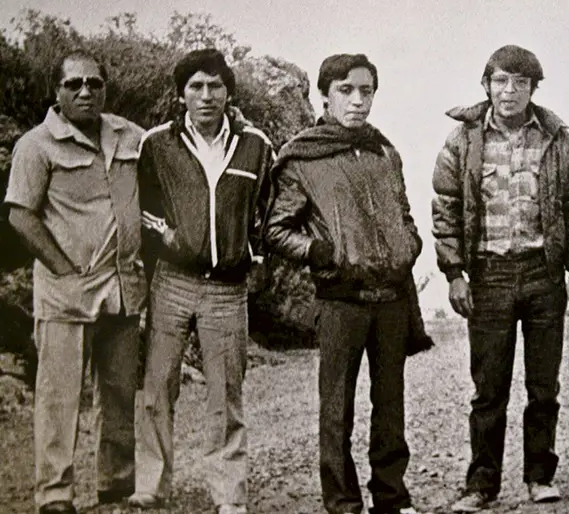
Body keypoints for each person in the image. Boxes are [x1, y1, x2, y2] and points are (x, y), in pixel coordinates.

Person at [265, 53, 426, 514]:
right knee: (336, 410)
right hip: (341, 302)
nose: (357, 101)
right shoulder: (303, 156)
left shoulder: (384, 151)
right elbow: (275, 229)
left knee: (391, 406)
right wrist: (319, 253)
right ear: (324, 96)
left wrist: (408, 245)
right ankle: (342, 503)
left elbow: (405, 214)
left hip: (392, 298)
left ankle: (392, 498)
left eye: (366, 91)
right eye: (346, 91)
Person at [431, 45, 569, 511]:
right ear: (487, 85)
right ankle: (482, 485)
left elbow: (568, 209)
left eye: (520, 82)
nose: (510, 91)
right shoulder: (463, 140)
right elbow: (445, 208)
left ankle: (540, 477)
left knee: (544, 386)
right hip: (489, 276)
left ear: (533, 88)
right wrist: (454, 272)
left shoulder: (556, 138)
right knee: (489, 389)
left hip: (544, 274)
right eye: (501, 80)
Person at [130, 49, 274, 514]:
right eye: (196, 86)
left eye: (215, 86)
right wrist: (167, 237)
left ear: (229, 92)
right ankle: (152, 482)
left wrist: (258, 259)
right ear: (181, 95)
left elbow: (268, 213)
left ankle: (228, 495)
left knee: (225, 393)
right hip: (171, 281)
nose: (206, 96)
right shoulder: (157, 144)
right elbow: (142, 204)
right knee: (157, 386)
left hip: (228, 290)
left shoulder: (256, 145)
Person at [5, 51, 147, 514]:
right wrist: (62, 268)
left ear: (105, 88)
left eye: (94, 83)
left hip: (123, 288)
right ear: (58, 92)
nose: (85, 91)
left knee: (121, 393)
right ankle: (54, 496)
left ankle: (116, 486)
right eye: (74, 85)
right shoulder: (36, 145)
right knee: (59, 398)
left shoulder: (130, 136)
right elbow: (20, 215)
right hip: (66, 294)